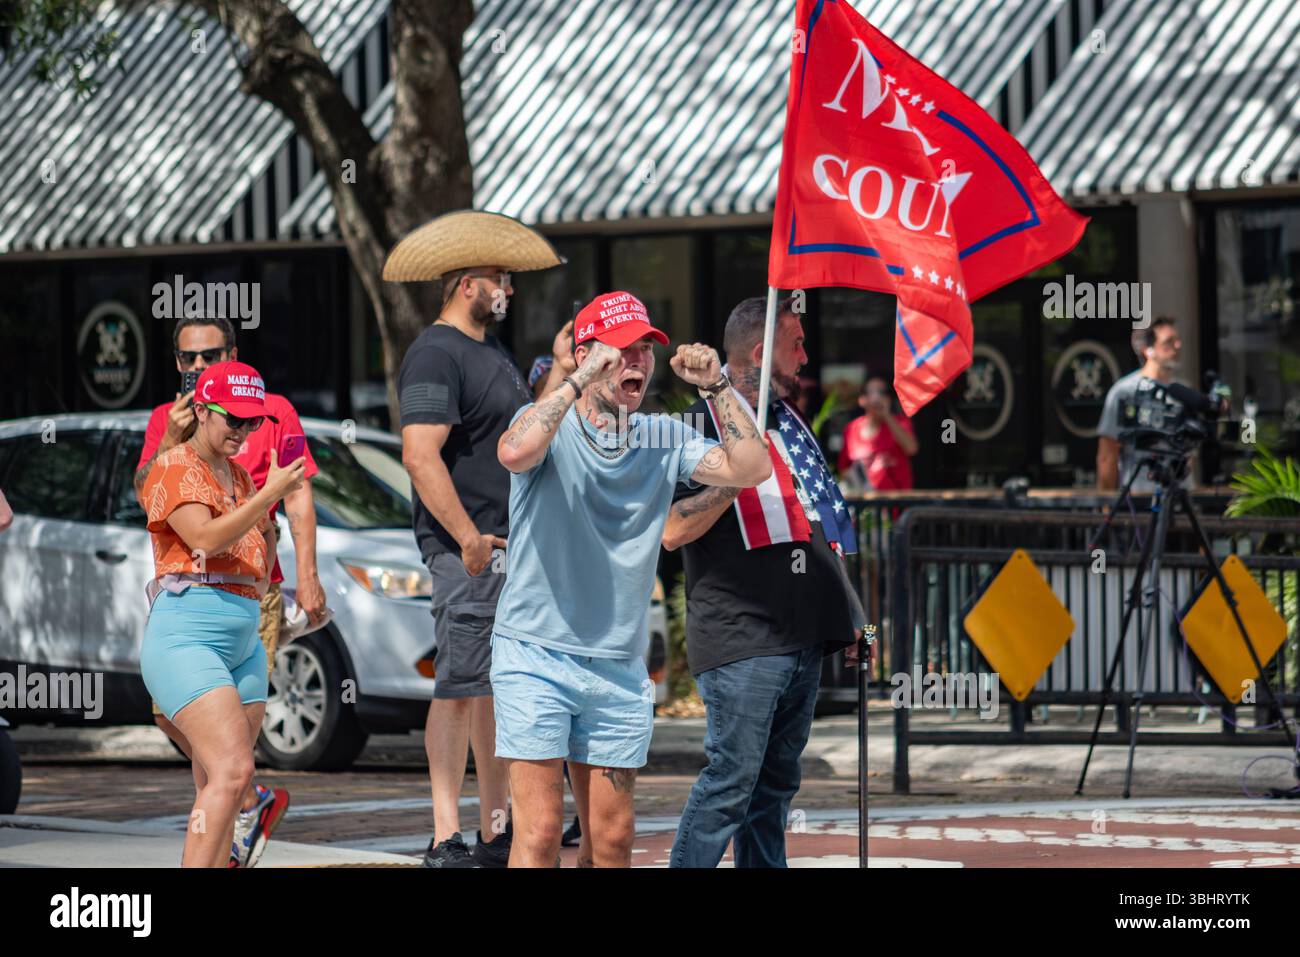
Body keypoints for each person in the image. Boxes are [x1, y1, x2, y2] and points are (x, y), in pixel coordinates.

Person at [493, 290, 772, 868]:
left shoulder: (661, 437)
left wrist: (717, 387)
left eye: (645, 348)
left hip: (616, 664)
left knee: (614, 840)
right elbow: (514, 452)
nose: (637, 362)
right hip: (533, 654)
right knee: (541, 833)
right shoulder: (551, 422)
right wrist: (571, 378)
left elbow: (752, 467)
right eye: (621, 350)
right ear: (589, 354)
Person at [393, 209, 567, 868]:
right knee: (461, 686)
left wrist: (567, 361)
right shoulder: (436, 353)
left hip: (507, 547)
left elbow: (520, 429)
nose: (509, 290)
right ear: (469, 284)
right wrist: (466, 536)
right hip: (467, 549)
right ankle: (444, 835)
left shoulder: (489, 350)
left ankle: (497, 830)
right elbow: (419, 454)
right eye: (501, 279)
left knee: (495, 686)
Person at [663, 296, 860, 868]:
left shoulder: (791, 423)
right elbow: (673, 531)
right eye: (796, 343)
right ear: (761, 350)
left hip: (802, 636)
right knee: (731, 784)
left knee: (773, 793)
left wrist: (857, 621)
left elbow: (820, 527)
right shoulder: (697, 424)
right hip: (742, 639)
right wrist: (741, 476)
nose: (806, 356)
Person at [134, 314, 323, 867]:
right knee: (235, 773)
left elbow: (259, 554)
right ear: (203, 409)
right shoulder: (174, 465)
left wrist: (268, 540)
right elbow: (205, 537)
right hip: (188, 635)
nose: (242, 432)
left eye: (251, 423)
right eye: (233, 421)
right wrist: (269, 498)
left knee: (215, 780)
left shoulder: (238, 476)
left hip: (241, 635)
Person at [1096, 316, 1183, 492]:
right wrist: (1107, 504)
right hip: (1139, 497)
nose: (1177, 346)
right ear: (1147, 349)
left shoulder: (1184, 393)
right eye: (1169, 342)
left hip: (1179, 496)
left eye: (1178, 341)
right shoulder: (1124, 392)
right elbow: (1107, 454)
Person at [837, 376, 917, 491]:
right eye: (872, 392)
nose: (878, 397)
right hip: (865, 504)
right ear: (862, 399)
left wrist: (887, 416)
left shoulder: (900, 422)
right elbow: (843, 468)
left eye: (882, 392)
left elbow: (911, 449)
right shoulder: (851, 429)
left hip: (898, 503)